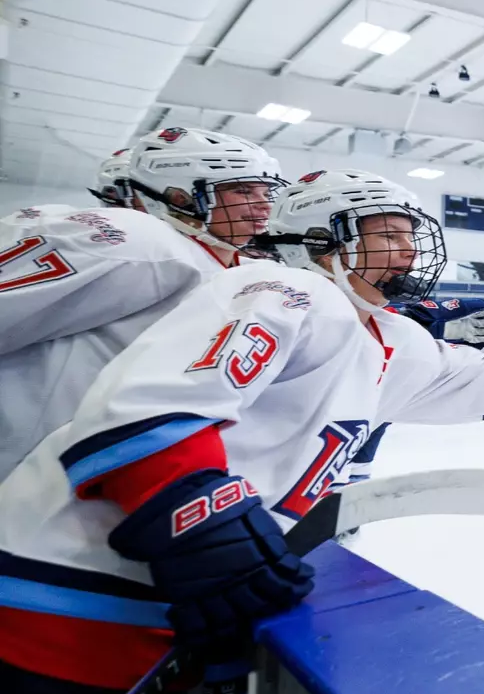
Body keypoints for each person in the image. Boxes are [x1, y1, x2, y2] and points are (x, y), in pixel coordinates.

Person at [0, 169, 484, 694]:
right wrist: (208, 524)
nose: (409, 251)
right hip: (61, 607)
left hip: (152, 624)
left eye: (412, 235)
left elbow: (480, 381)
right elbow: (157, 406)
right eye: (388, 234)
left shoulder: (390, 338)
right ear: (324, 242)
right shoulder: (283, 289)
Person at [0, 127, 283, 483]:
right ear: (179, 196)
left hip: (115, 468)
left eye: (266, 190)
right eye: (243, 190)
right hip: (28, 465)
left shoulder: (238, 266)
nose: (264, 203)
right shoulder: (140, 241)